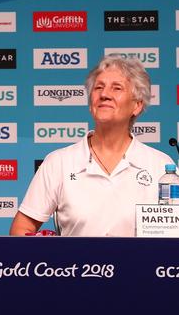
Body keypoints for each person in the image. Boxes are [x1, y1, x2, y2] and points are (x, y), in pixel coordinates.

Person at [10, 55, 173, 236]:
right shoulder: (59, 162)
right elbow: (21, 229)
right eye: (98, 88)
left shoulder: (160, 166)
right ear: (90, 104)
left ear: (137, 106)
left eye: (116, 88)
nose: (104, 95)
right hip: (74, 265)